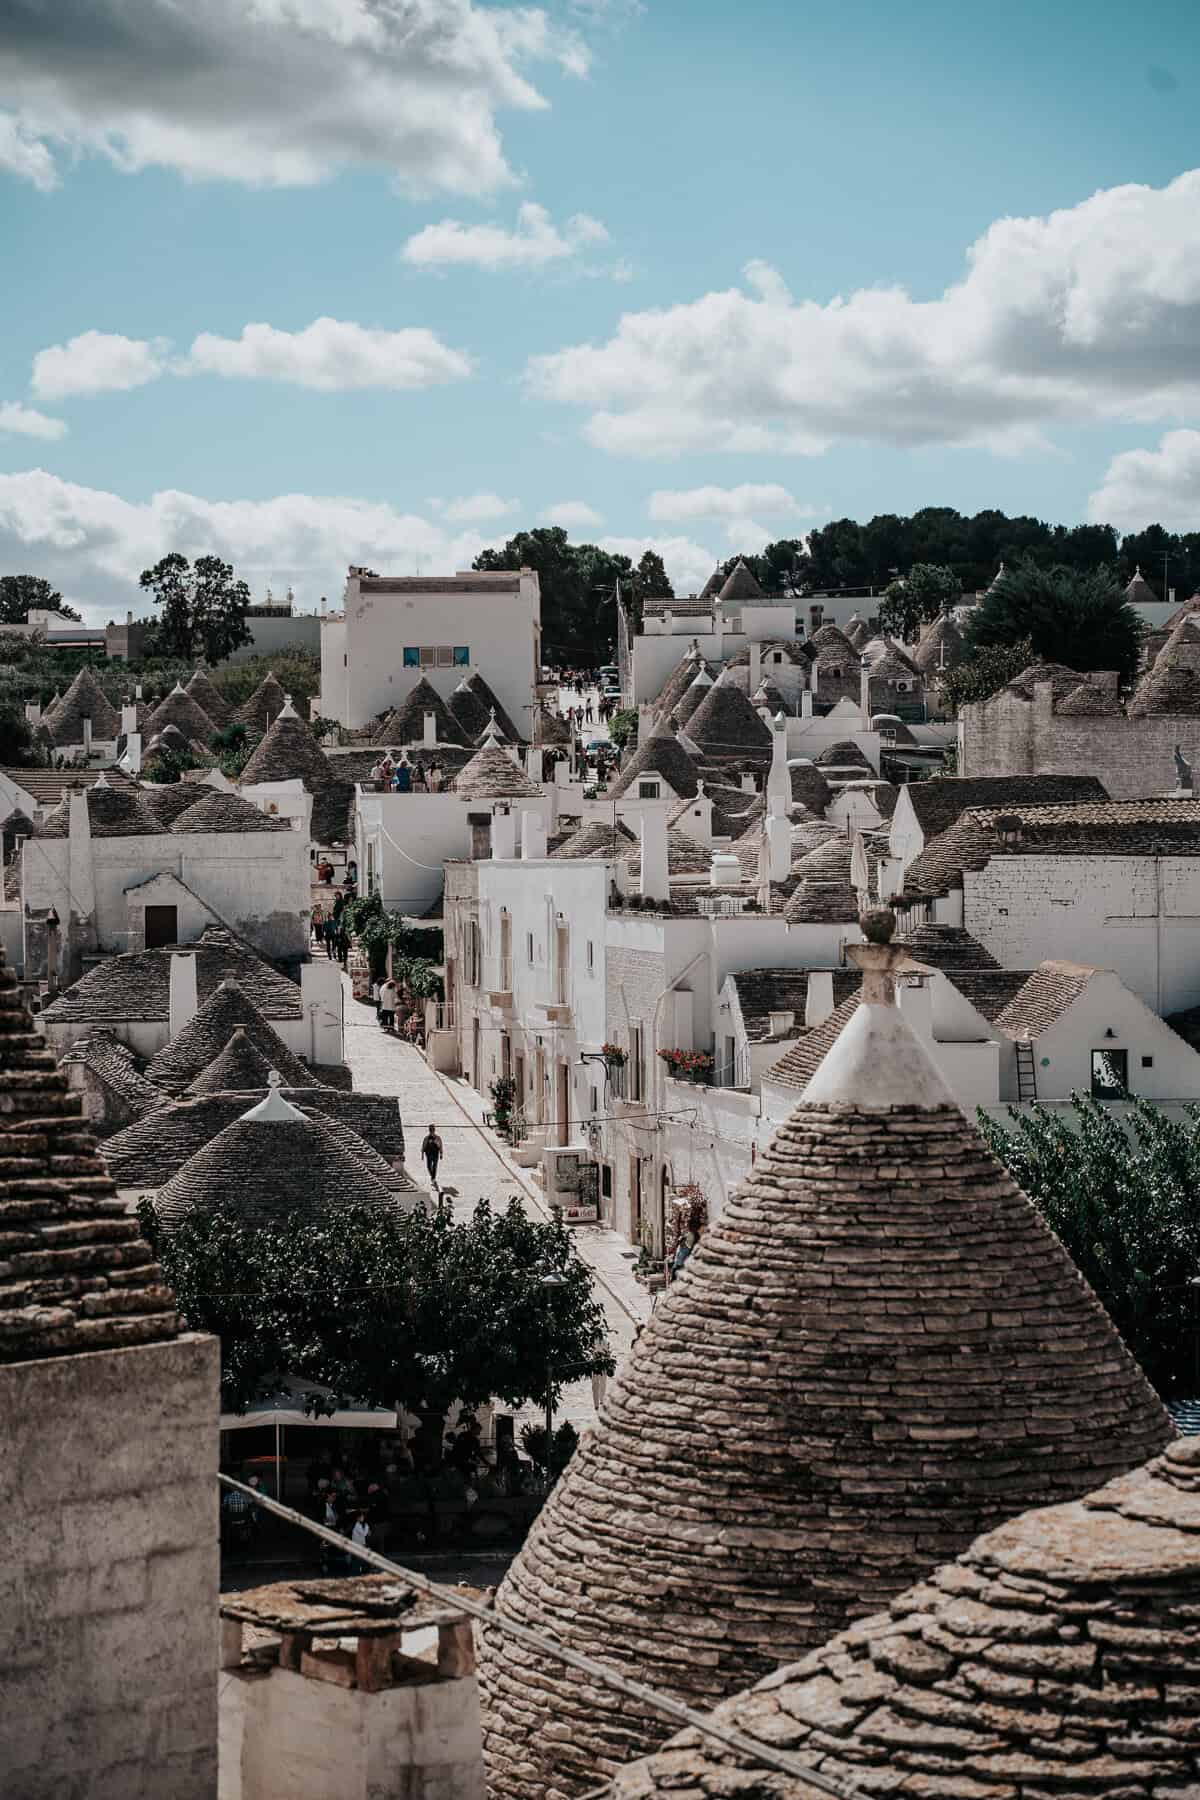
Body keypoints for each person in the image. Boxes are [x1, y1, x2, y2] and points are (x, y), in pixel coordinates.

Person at [421, 1124, 443, 1190]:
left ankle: (433, 1178)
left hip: (435, 1154)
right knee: (428, 1166)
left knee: (435, 1166)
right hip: (428, 1154)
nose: (432, 1131)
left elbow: (440, 1146)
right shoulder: (426, 1138)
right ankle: (432, 1176)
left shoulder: (438, 1138)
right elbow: (423, 1146)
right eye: (431, 1130)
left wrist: (441, 1153)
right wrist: (422, 1154)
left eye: (432, 1130)